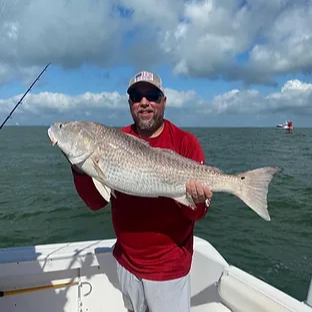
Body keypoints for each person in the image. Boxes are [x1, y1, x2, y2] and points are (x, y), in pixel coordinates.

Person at [69, 71, 213, 312]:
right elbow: (95, 202)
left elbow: (197, 214)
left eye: (152, 96)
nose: (144, 102)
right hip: (126, 262)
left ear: (163, 102)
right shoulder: (114, 140)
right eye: (137, 96)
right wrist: (80, 169)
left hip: (169, 268)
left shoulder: (186, 142)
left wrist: (195, 200)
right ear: (130, 104)